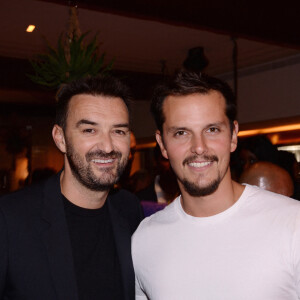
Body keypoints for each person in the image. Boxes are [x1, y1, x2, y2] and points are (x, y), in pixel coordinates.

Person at [132, 70, 300, 299]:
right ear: (162, 144)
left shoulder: (292, 224)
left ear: (233, 135)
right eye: (181, 133)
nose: (199, 147)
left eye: (212, 130)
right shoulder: (144, 239)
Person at [0, 75, 143, 300]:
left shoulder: (129, 209)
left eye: (118, 131)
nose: (107, 146)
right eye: (89, 130)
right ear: (60, 138)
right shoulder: (10, 218)